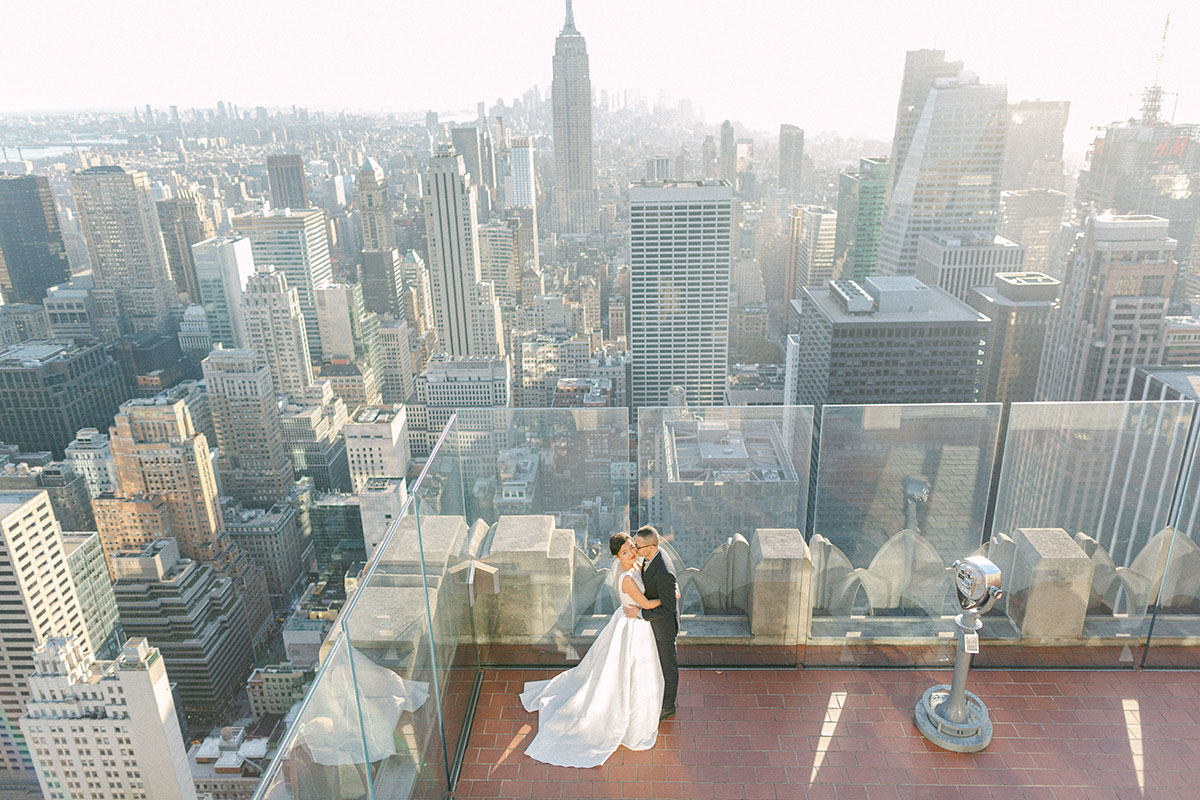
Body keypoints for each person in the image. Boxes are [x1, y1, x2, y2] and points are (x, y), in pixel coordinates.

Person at [519, 532, 664, 767]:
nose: (631, 553)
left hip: (628, 620)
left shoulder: (632, 564)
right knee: (631, 668)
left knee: (625, 669)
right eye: (625, 552)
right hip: (633, 623)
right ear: (617, 556)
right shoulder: (627, 575)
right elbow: (646, 604)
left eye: (631, 548)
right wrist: (670, 599)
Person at [625, 525, 680, 719]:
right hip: (654, 624)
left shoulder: (663, 570)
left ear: (651, 547)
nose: (635, 550)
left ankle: (668, 706)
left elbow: (668, 607)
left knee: (668, 666)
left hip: (663, 627)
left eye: (638, 547)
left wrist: (640, 614)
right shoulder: (652, 556)